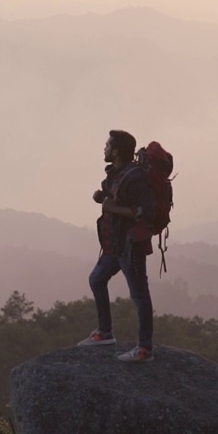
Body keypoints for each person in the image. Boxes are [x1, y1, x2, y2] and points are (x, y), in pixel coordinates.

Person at [78, 129, 157, 362]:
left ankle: (145, 349)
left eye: (107, 145)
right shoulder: (117, 173)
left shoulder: (135, 176)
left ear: (117, 150)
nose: (104, 148)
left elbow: (146, 212)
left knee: (140, 296)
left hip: (130, 248)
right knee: (97, 279)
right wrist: (101, 197)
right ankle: (105, 332)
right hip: (115, 246)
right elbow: (114, 197)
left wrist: (112, 208)